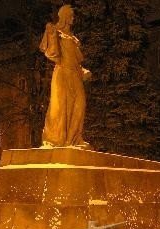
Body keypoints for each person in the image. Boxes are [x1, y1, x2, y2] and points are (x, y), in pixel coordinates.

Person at [39, 5, 91, 148]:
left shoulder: (74, 39)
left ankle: (74, 139)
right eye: (72, 15)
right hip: (62, 73)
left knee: (80, 105)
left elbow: (76, 60)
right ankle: (57, 140)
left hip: (75, 74)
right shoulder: (56, 32)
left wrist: (83, 71)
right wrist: (51, 34)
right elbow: (51, 54)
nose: (73, 18)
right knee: (60, 108)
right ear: (65, 16)